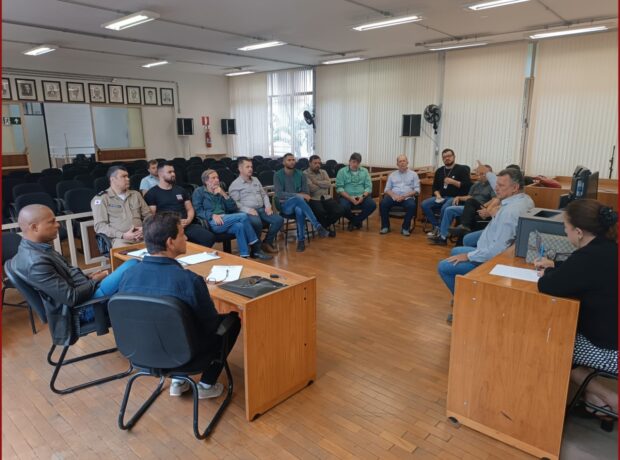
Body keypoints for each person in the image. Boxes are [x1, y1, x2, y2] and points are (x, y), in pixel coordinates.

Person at [118, 212, 241, 399]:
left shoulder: (128, 275)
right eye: (182, 234)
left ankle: (178, 380)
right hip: (186, 355)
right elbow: (211, 325)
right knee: (231, 321)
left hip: (140, 352)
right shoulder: (190, 281)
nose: (187, 237)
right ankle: (206, 385)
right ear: (170, 242)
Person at [535, 199, 617, 416]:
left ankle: (612, 399)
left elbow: (548, 285)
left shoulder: (587, 257)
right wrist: (556, 266)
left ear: (579, 232)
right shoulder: (608, 248)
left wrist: (547, 273)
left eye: (566, 227)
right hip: (610, 334)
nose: (565, 231)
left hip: (610, 351)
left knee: (553, 347)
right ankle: (593, 401)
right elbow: (580, 273)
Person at [10, 204, 138, 340]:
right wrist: (95, 280)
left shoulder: (37, 248)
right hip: (83, 308)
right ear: (34, 227)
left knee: (133, 271)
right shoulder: (35, 262)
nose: (58, 225)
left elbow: (65, 278)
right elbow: (71, 298)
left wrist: (88, 277)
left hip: (87, 294)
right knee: (134, 265)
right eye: (51, 222)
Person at [437, 168, 534, 300]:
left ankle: (464, 302)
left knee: (443, 266)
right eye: (496, 184)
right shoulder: (525, 198)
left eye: (501, 186)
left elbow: (496, 251)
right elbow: (498, 182)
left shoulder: (509, 214)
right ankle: (469, 288)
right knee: (457, 249)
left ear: (515, 187)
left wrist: (468, 256)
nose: (496, 188)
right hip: (493, 246)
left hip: (493, 259)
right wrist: (487, 172)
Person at [192, 169, 271, 260]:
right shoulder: (199, 192)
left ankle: (244, 256)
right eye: (213, 178)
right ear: (206, 181)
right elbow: (198, 210)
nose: (217, 180)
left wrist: (224, 194)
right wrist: (212, 215)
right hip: (213, 222)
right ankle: (254, 242)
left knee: (239, 226)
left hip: (226, 218)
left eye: (217, 177)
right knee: (243, 216)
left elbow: (232, 207)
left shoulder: (220, 190)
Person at [144, 162, 215, 248]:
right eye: (169, 172)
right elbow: (153, 216)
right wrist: (173, 225)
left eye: (173, 171)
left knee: (209, 238)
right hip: (167, 228)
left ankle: (195, 259)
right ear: (160, 174)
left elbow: (190, 209)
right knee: (178, 242)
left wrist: (188, 220)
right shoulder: (152, 193)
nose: (173, 174)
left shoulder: (180, 190)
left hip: (186, 225)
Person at [274, 153, 329, 252]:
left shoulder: (301, 174)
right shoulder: (278, 175)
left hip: (299, 204)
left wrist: (299, 195)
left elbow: (306, 192)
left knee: (299, 209)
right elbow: (279, 194)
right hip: (285, 205)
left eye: (293, 160)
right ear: (284, 162)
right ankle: (317, 226)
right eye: (289, 160)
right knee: (299, 199)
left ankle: (301, 241)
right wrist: (298, 195)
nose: (292, 162)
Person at [430, 163, 495, 245]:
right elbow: (469, 196)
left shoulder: (493, 186)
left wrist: (485, 206)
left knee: (469, 202)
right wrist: (459, 197)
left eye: (483, 174)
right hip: (469, 207)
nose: (480, 176)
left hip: (481, 207)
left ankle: (463, 227)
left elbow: (494, 199)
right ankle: (443, 237)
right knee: (449, 210)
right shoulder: (476, 184)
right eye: (480, 173)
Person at [229, 157, 283, 253]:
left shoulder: (256, 179)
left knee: (278, 220)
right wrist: (248, 210)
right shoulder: (235, 185)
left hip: (261, 209)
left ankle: (266, 242)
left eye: (251, 167)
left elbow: (264, 195)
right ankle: (255, 248)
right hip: (247, 212)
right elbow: (235, 204)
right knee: (257, 223)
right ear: (240, 169)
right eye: (247, 167)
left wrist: (268, 206)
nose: (250, 169)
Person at [91, 166, 152, 248]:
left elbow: (148, 216)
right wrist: (123, 235)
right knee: (130, 258)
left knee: (160, 251)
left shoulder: (135, 194)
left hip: (142, 236)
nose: (128, 179)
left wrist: (144, 229)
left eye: (127, 176)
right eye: (123, 176)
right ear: (113, 179)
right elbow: (100, 226)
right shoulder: (101, 199)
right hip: (120, 239)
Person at [422, 149, 471, 238]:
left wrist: (453, 182)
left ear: (454, 157)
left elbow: (467, 185)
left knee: (445, 208)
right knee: (424, 204)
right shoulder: (439, 171)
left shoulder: (462, 169)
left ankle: (440, 231)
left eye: (449, 156)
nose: (447, 158)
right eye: (444, 157)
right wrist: (438, 195)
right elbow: (435, 187)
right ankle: (437, 226)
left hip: (455, 198)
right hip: (441, 197)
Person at [379, 155, 420, 236]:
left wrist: (404, 196)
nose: (402, 163)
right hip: (394, 197)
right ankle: (385, 226)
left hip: (407, 197)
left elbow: (417, 190)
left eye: (404, 161)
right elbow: (386, 189)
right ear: (397, 164)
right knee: (383, 203)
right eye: (400, 161)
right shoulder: (392, 175)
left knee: (412, 205)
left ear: (407, 162)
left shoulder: (414, 174)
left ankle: (405, 228)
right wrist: (394, 195)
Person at [304, 155, 344, 237]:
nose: (318, 165)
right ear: (310, 163)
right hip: (314, 198)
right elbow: (311, 188)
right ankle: (326, 228)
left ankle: (324, 226)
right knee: (321, 212)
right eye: (315, 163)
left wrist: (316, 182)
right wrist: (322, 183)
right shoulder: (305, 174)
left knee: (340, 210)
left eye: (319, 163)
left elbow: (328, 184)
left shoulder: (323, 172)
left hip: (326, 197)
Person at [336, 152, 376, 231]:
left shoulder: (364, 171)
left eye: (357, 162)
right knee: (343, 207)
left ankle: (354, 222)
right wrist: (350, 198)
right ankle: (357, 221)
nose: (355, 164)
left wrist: (362, 197)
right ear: (349, 161)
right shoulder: (342, 171)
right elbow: (339, 188)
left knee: (372, 205)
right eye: (353, 162)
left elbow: (368, 187)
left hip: (361, 196)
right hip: (347, 196)